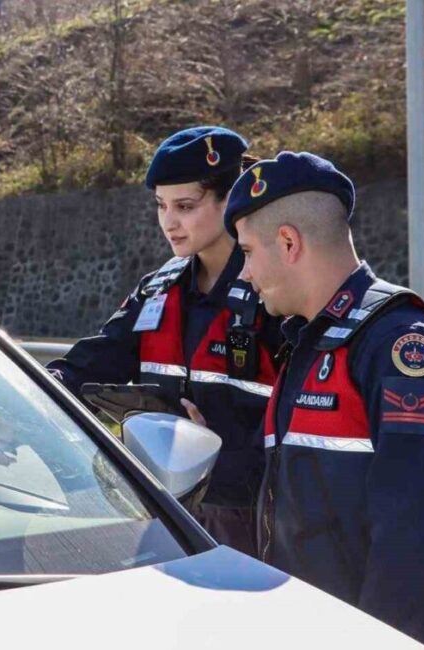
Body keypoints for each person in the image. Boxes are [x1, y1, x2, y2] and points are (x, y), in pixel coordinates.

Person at [224, 151, 424, 648]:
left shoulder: (398, 345)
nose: (245, 274)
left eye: (249, 252)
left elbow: (410, 545)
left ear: (288, 242)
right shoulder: (308, 342)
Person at [47, 126, 282, 555]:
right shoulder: (159, 289)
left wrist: (217, 459)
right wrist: (26, 395)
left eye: (185, 206)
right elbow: (92, 362)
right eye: (160, 206)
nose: (169, 222)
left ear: (229, 200)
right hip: (167, 516)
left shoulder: (275, 293)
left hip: (255, 525)